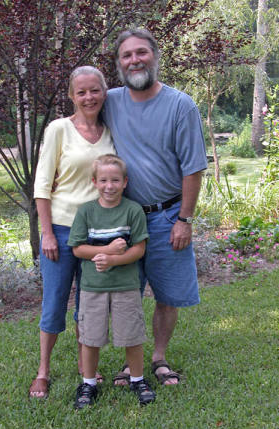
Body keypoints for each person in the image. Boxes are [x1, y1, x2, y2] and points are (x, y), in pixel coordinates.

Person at [102, 28, 207, 386]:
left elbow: (193, 168)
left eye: (141, 52)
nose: (135, 60)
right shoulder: (110, 101)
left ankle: (159, 357)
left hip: (167, 217)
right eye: (127, 55)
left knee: (167, 294)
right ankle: (131, 363)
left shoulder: (181, 105)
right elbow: (80, 117)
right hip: (125, 220)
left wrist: (184, 220)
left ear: (155, 56)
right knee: (127, 294)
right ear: (119, 63)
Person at [29, 66, 117, 398]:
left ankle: (85, 369)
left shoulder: (111, 131)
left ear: (104, 92)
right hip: (63, 232)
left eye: (95, 90)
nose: (89, 97)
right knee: (53, 303)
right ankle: (43, 372)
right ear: (72, 96)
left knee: (89, 304)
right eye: (81, 92)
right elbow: (41, 185)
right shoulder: (58, 130)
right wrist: (47, 233)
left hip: (100, 233)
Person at [68, 154, 156, 409]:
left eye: (115, 180)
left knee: (132, 335)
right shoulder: (86, 211)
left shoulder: (132, 210)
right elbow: (77, 248)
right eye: (104, 180)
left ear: (125, 182)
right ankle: (88, 383)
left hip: (126, 285)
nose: (110, 186)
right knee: (90, 337)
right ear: (95, 182)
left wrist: (114, 261)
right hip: (93, 287)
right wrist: (107, 250)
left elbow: (138, 249)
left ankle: (137, 379)